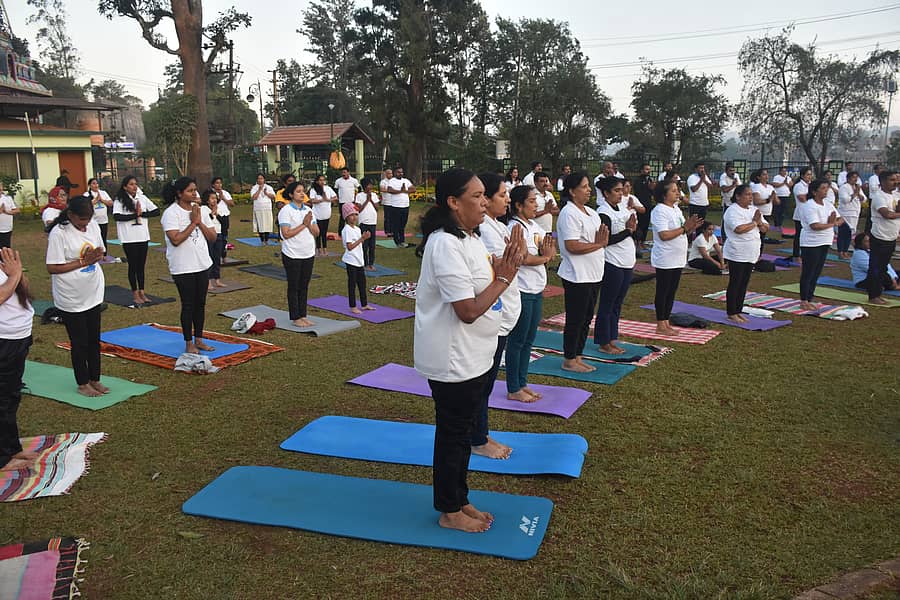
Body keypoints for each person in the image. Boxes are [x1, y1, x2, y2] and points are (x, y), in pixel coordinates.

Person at [413, 168, 524, 533]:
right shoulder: (444, 244)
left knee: (460, 434)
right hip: (453, 357)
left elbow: (483, 285)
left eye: (484, 195)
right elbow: (467, 310)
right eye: (476, 196)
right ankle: (449, 510)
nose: (484, 202)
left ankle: (459, 499)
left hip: (475, 353)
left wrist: (502, 268)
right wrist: (504, 277)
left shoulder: (470, 238)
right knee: (453, 435)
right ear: (453, 202)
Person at [469, 172, 523, 459]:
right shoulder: (483, 231)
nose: (507, 200)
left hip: (502, 310)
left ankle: (481, 432)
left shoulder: (497, 226)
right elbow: (496, 268)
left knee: (487, 381)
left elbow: (510, 263)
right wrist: (516, 257)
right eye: (502, 195)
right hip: (491, 313)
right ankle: (477, 438)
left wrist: (518, 254)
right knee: (483, 381)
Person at [46, 195, 107, 397]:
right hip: (71, 296)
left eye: (88, 219)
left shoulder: (93, 225)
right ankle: (82, 383)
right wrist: (83, 262)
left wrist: (97, 256)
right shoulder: (59, 232)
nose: (85, 224)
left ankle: (95, 378)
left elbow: (100, 251)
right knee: (79, 341)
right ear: (71, 215)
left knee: (94, 340)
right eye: (82, 220)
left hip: (93, 292)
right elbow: (52, 267)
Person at [505, 185, 555, 403]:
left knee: (529, 339)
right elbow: (523, 258)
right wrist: (545, 258)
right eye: (532, 201)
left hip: (536, 288)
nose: (536, 205)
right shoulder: (514, 227)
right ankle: (513, 387)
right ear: (518, 205)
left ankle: (522, 383)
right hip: (522, 289)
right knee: (517, 340)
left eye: (536, 201)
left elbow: (549, 249)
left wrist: (545, 256)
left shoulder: (534, 226)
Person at [557, 172, 609, 373]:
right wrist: (598, 244)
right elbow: (572, 245)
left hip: (594, 273)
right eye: (584, 186)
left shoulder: (591, 212)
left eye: (589, 186)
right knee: (575, 319)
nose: (589, 190)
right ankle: (569, 359)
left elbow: (598, 240)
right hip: (577, 274)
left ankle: (578, 355)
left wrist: (599, 243)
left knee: (587, 317)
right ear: (572, 191)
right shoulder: (568, 213)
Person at [160, 177, 218, 354]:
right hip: (183, 266)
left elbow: (213, 237)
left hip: (202, 264)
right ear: (179, 193)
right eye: (190, 190)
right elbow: (176, 239)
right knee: (188, 304)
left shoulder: (200, 210)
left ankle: (199, 339)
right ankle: (188, 342)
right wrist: (193, 223)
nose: (194, 193)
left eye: (195, 190)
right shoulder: (171, 213)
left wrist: (199, 221)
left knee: (200, 303)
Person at [651, 179, 703, 335]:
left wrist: (691, 228)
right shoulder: (659, 210)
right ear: (664, 195)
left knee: (671, 291)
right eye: (673, 191)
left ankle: (666, 321)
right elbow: (664, 235)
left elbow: (682, 231)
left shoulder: (676, 209)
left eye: (677, 190)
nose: (677, 193)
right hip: (666, 257)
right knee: (663, 291)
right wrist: (684, 228)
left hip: (677, 257)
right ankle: (660, 324)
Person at [0, 246, 35, 472]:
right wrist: (14, 275)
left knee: (11, 395)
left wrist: (18, 272)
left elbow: (23, 288)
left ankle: (11, 447)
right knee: (3, 399)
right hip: (4, 341)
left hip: (18, 337)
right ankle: (3, 457)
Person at [594, 177, 637, 354]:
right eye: (617, 190)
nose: (621, 193)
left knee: (618, 303)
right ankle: (603, 341)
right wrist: (628, 231)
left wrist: (632, 229)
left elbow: (633, 231)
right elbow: (607, 240)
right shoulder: (603, 212)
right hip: (612, 261)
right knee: (608, 303)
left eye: (622, 190)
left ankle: (612, 338)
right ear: (606, 193)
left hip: (627, 260)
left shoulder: (622, 209)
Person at [722, 184, 768, 323]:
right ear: (738, 196)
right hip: (737, 252)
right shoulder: (732, 211)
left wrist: (759, 223)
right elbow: (739, 229)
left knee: (744, 283)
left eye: (751, 194)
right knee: (735, 282)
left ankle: (738, 310)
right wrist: (754, 223)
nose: (750, 197)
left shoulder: (754, 210)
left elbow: (765, 228)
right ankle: (731, 312)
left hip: (751, 252)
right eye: (747, 194)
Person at [113, 175, 160, 306]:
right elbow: (117, 216)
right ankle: (135, 293)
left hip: (142, 236)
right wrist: (135, 215)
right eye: (131, 184)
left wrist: (142, 214)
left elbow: (156, 211)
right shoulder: (120, 200)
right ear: (125, 187)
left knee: (141, 266)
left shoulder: (142, 198)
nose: (134, 186)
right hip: (129, 238)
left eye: (135, 184)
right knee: (133, 266)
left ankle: (142, 292)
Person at [278, 182, 319, 327]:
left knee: (304, 285)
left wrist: (309, 224)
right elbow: (286, 233)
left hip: (308, 253)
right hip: (292, 254)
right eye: (298, 191)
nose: (302, 194)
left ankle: (303, 315)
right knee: (294, 286)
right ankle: (295, 317)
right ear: (291, 194)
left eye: (303, 191)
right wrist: (304, 224)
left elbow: (316, 232)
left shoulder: (308, 210)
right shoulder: (286, 211)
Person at [798, 179, 844, 311]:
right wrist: (832, 223)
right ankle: (803, 300)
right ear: (814, 191)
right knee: (808, 271)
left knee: (816, 272)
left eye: (826, 188)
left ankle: (810, 297)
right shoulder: (809, 205)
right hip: (811, 243)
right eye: (823, 188)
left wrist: (832, 222)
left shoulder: (828, 204)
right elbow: (815, 225)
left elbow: (840, 218)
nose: (826, 191)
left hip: (825, 241)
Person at [865, 170, 900, 305]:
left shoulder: (895, 195)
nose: (895, 182)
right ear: (883, 182)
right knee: (876, 267)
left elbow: (896, 211)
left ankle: (878, 293)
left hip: (891, 237)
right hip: (880, 237)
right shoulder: (879, 196)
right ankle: (873, 295)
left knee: (883, 267)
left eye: (896, 180)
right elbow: (887, 214)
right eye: (892, 180)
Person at [340, 203, 373, 314]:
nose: (354, 217)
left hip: (359, 260)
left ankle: (364, 304)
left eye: (356, 214)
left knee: (362, 283)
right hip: (351, 260)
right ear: (346, 217)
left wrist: (364, 238)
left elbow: (358, 245)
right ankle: (353, 306)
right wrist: (362, 239)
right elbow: (350, 247)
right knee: (352, 284)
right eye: (351, 215)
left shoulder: (357, 229)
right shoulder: (347, 230)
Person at [200, 189, 226, 290]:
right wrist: (212, 213)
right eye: (212, 198)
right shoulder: (203, 209)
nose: (214, 200)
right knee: (209, 257)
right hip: (209, 235)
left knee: (217, 257)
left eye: (215, 198)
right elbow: (204, 221)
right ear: (207, 200)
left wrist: (217, 214)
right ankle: (208, 281)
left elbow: (224, 222)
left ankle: (217, 279)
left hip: (218, 234)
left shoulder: (219, 208)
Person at [837, 171, 865, 259]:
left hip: (855, 212)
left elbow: (864, 199)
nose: (855, 179)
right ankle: (840, 252)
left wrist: (858, 193)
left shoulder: (857, 187)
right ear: (848, 178)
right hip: (845, 213)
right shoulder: (844, 187)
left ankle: (845, 251)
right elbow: (845, 200)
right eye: (853, 177)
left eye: (856, 177)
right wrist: (855, 193)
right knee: (843, 233)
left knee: (849, 234)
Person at [354, 177, 380, 271]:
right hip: (363, 222)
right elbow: (359, 209)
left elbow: (377, 208)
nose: (371, 186)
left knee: (372, 245)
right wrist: (367, 200)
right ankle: (365, 263)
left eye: (371, 185)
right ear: (365, 186)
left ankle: (371, 263)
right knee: (364, 245)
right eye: (369, 185)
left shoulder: (374, 195)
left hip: (372, 222)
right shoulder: (359, 196)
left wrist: (371, 199)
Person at [309, 174, 338, 257]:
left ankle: (325, 249)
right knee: (318, 232)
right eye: (320, 180)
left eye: (323, 180)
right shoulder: (313, 190)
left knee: (324, 232)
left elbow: (335, 197)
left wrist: (328, 199)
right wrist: (322, 199)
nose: (322, 182)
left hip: (326, 213)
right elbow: (312, 200)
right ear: (317, 181)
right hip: (317, 214)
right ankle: (318, 249)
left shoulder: (328, 188)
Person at [750, 168, 776, 251]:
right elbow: (756, 201)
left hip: (767, 214)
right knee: (756, 235)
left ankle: (759, 254)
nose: (766, 176)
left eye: (767, 174)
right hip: (758, 214)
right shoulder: (756, 186)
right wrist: (768, 200)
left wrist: (774, 197)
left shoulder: (770, 187)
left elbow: (777, 201)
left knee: (762, 236)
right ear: (758, 177)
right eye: (764, 174)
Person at [85, 178, 113, 256]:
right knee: (94, 238)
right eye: (93, 183)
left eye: (97, 183)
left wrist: (102, 200)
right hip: (93, 221)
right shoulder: (86, 194)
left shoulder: (103, 193)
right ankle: (94, 255)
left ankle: (104, 255)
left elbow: (111, 203)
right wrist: (95, 200)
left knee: (103, 238)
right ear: (90, 185)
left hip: (103, 220)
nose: (96, 185)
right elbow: (85, 205)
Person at [387, 167, 414, 247]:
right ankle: (397, 241)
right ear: (395, 173)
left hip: (405, 206)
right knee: (396, 225)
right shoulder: (392, 181)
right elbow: (389, 190)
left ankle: (402, 241)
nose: (401, 173)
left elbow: (413, 189)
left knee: (402, 225)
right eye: (399, 172)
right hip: (396, 206)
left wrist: (405, 191)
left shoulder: (406, 181)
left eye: (402, 172)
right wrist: (400, 191)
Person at [791, 167, 813, 260]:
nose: (809, 176)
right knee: (799, 235)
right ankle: (796, 255)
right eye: (808, 174)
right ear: (803, 176)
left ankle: (805, 254)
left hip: (810, 214)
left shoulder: (811, 185)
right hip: (800, 214)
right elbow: (802, 198)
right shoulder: (799, 186)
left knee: (808, 235)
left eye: (810, 174)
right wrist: (813, 194)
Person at [633, 163, 655, 248]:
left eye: (649, 169)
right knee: (640, 224)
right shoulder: (638, 181)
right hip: (640, 205)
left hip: (648, 205)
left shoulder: (649, 179)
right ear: (642, 170)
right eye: (646, 169)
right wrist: (647, 186)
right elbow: (638, 192)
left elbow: (652, 192)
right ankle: (637, 241)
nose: (648, 171)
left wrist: (652, 188)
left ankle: (643, 241)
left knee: (646, 224)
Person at [211, 177, 234, 258]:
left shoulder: (225, 193)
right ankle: (215, 254)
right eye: (217, 183)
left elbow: (232, 204)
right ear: (213, 184)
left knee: (224, 235)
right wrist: (219, 199)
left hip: (225, 216)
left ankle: (223, 254)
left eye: (220, 183)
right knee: (216, 235)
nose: (219, 185)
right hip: (215, 216)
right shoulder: (210, 193)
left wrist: (223, 198)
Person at [250, 174, 276, 244]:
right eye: (258, 178)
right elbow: (253, 197)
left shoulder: (269, 187)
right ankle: (262, 240)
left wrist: (266, 193)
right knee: (260, 224)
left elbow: (273, 196)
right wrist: (259, 190)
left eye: (261, 178)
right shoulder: (254, 188)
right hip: (258, 208)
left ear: (264, 179)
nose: (260, 180)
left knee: (267, 224)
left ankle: (266, 240)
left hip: (267, 208)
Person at [334, 168, 360, 232]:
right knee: (342, 217)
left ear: (348, 173)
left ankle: (352, 230)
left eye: (345, 172)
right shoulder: (338, 181)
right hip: (342, 202)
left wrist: (356, 196)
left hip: (351, 202)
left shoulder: (354, 180)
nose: (343, 174)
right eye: (342, 172)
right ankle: (341, 232)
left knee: (352, 217)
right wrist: (337, 198)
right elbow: (335, 190)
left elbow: (359, 188)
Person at [771, 166, 792, 233]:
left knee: (783, 211)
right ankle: (776, 224)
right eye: (783, 171)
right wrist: (783, 183)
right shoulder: (777, 177)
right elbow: (775, 184)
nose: (784, 172)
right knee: (777, 210)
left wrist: (786, 183)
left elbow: (791, 185)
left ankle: (780, 224)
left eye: (785, 171)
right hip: (778, 196)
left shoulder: (788, 177)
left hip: (786, 196)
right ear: (780, 171)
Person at [0, 182, 20, 249]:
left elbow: (17, 210)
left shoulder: (8, 198)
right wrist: (0, 211)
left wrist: (6, 212)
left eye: (0, 188)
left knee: (6, 248)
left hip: (7, 228)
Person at [380, 168, 394, 238]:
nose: (390, 175)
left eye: (391, 173)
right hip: (387, 202)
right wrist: (390, 190)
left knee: (393, 217)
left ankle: (392, 231)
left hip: (394, 202)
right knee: (387, 218)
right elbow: (382, 189)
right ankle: (387, 231)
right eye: (389, 173)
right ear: (386, 174)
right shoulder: (383, 182)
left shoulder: (394, 181)